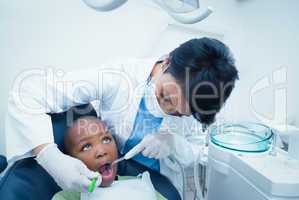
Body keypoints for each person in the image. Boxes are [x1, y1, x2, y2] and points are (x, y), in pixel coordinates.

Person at [3, 37, 239, 199]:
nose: (169, 110)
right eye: (165, 97)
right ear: (166, 62)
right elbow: (27, 93)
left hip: (157, 182)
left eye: (180, 113)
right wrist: (51, 158)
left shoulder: (206, 102)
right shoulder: (117, 78)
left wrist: (176, 144)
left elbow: (204, 153)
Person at [53, 116, 166, 200]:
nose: (102, 151)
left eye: (106, 139)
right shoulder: (66, 197)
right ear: (71, 161)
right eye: (86, 147)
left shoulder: (138, 184)